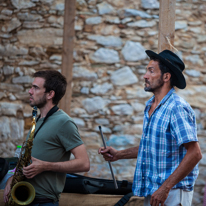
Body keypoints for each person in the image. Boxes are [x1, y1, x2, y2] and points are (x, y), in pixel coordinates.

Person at [98, 50, 202, 206]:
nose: (145, 76)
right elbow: (150, 148)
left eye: (151, 71)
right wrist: (119, 154)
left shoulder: (177, 108)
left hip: (172, 193)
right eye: (147, 70)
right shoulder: (149, 106)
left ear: (166, 77)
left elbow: (195, 153)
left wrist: (165, 188)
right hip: (153, 191)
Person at [4, 70, 90, 206]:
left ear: (50, 94)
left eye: (35, 87)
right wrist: (12, 179)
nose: (30, 91)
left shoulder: (64, 122)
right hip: (25, 199)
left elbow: (84, 163)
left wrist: (46, 166)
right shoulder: (37, 121)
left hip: (43, 202)